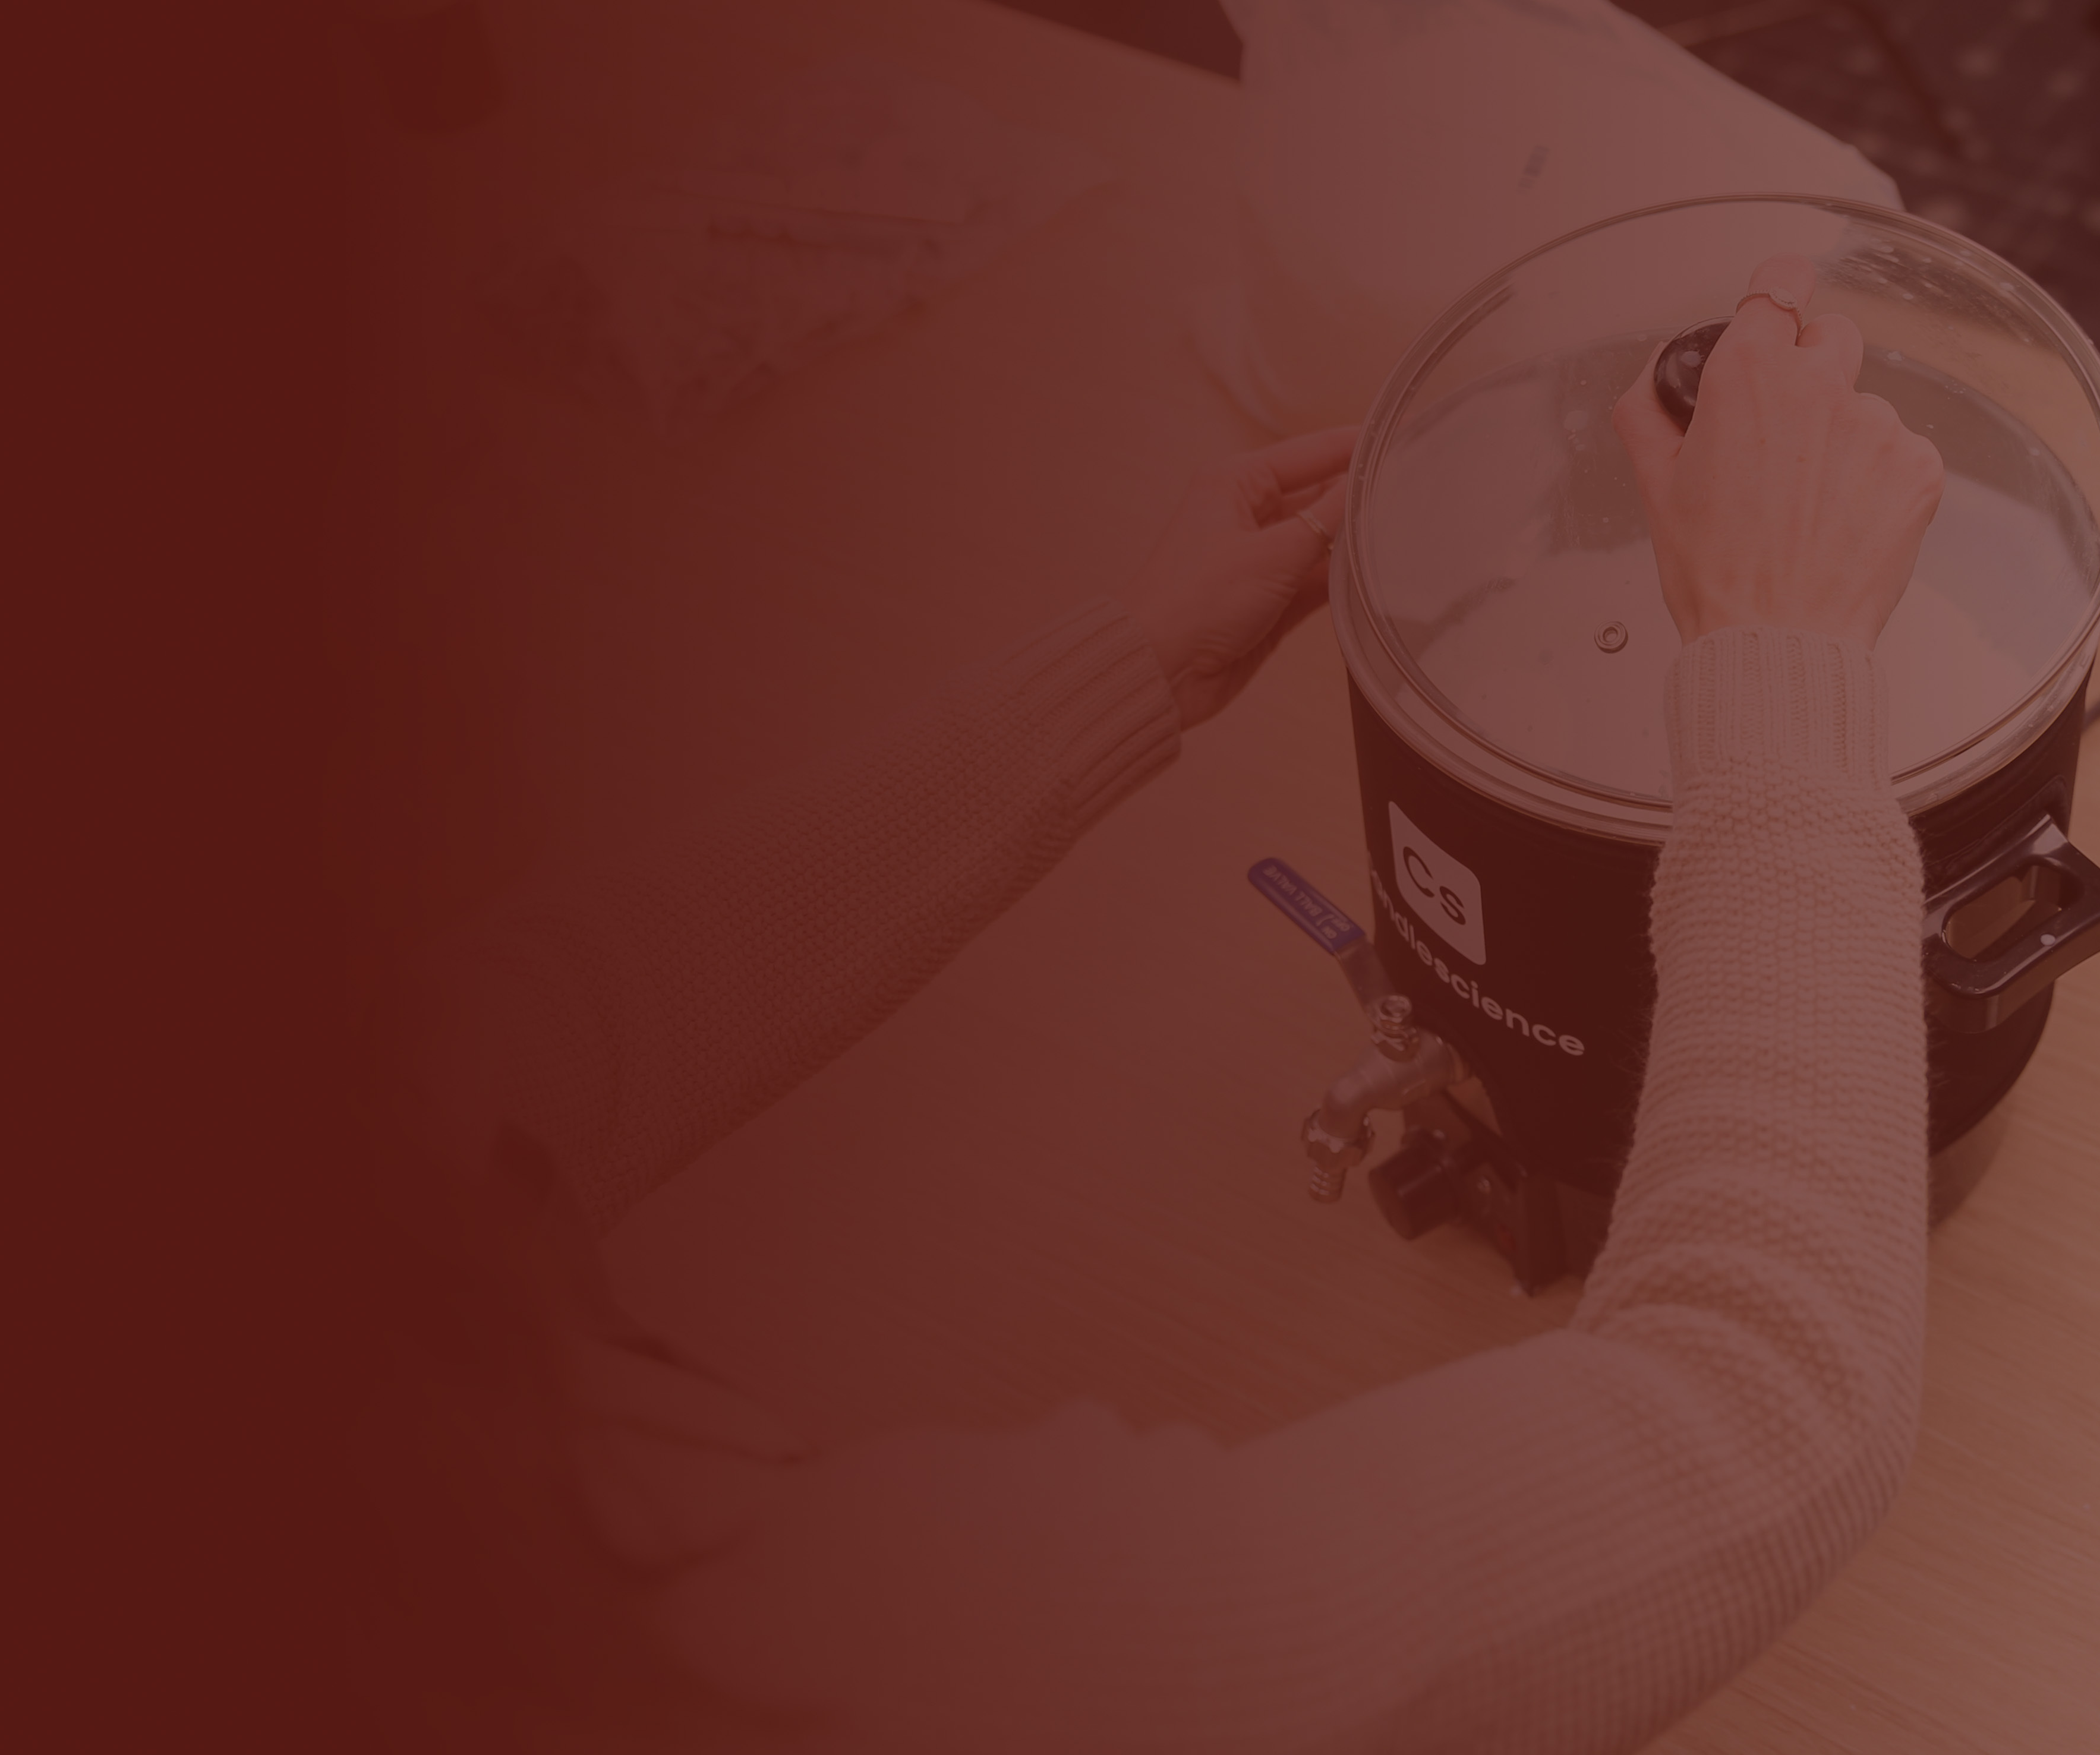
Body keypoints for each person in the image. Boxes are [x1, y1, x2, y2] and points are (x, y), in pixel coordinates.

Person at [393, 252, 1947, 1751]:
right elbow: (1765, 1404)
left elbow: (538, 1034)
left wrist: (1132, 662)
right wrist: (1781, 663)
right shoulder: (737, 1661)